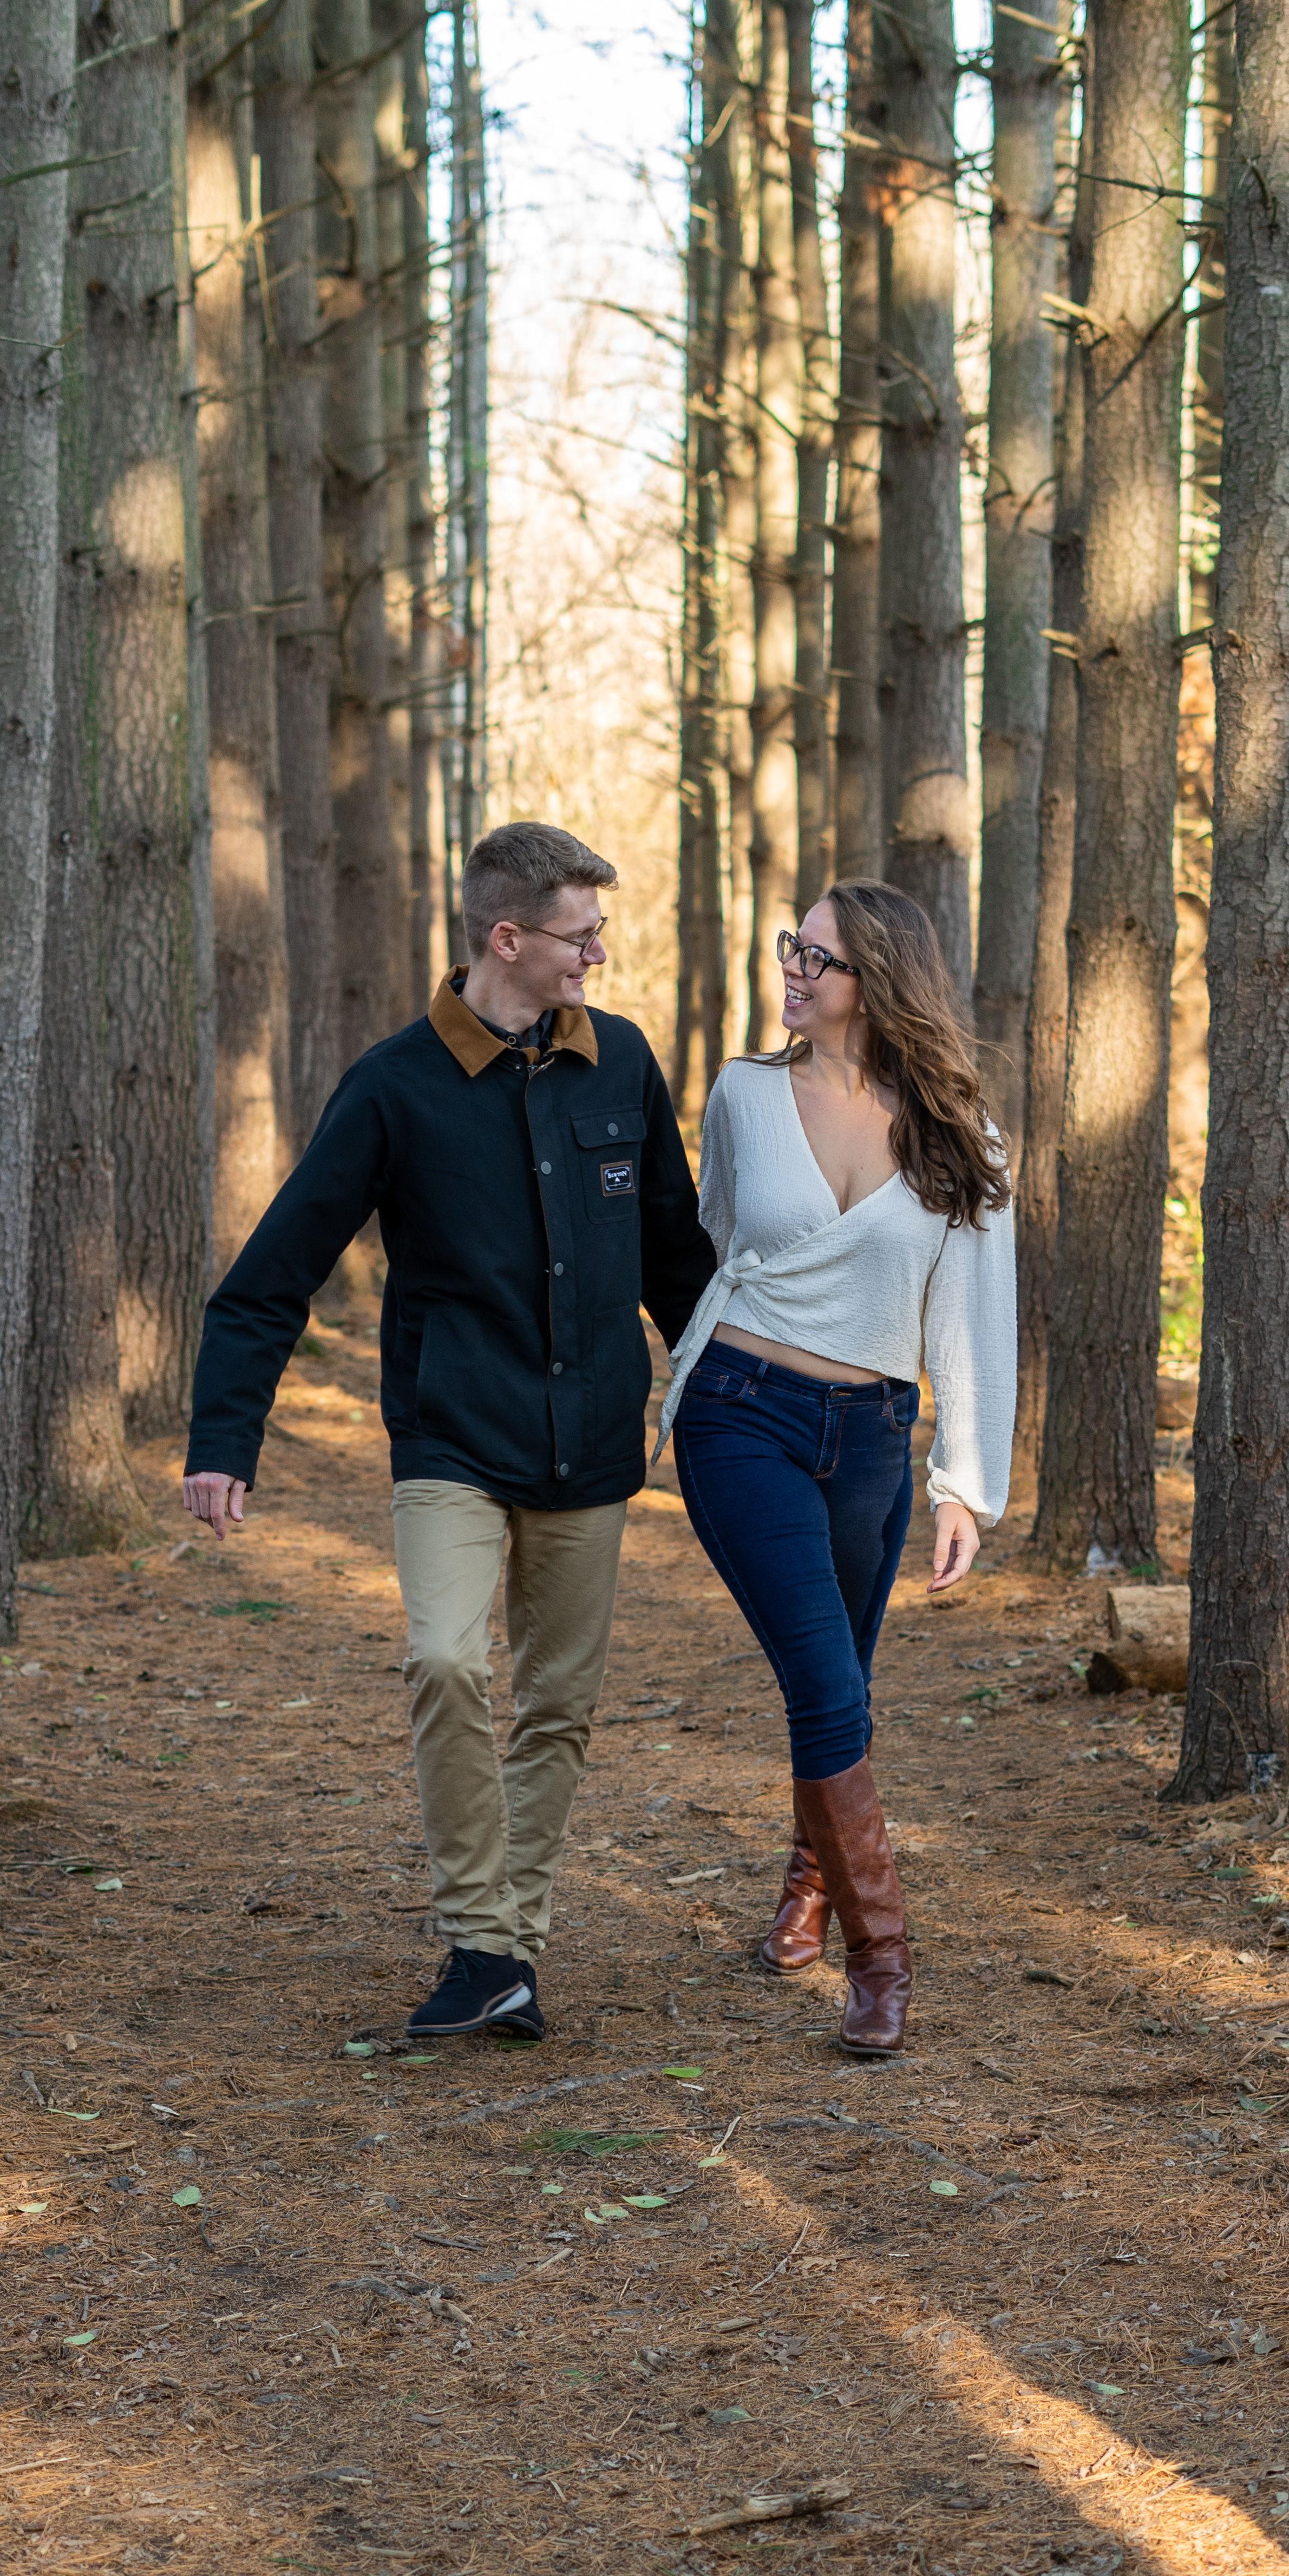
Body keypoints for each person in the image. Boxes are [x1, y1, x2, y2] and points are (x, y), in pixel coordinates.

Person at [181, 822, 720, 2044]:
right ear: (507, 938)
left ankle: (498, 1957)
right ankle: (487, 1938)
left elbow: (678, 1263)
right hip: (452, 1443)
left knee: (558, 1706)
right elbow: (273, 1275)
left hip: (592, 1445)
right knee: (445, 1662)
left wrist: (735, 1406)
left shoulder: (623, 1065)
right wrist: (223, 1438)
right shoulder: (394, 1085)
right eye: (582, 936)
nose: (599, 955)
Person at [653, 882, 1016, 2059]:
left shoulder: (958, 1130)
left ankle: (809, 1882)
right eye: (791, 949)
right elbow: (721, 1242)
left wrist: (965, 1483)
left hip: (871, 1435)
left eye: (818, 958)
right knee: (821, 1677)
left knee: (844, 1683)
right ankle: (883, 1960)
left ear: (879, 981)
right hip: (739, 1412)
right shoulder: (744, 1094)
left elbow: (972, 1311)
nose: (792, 971)